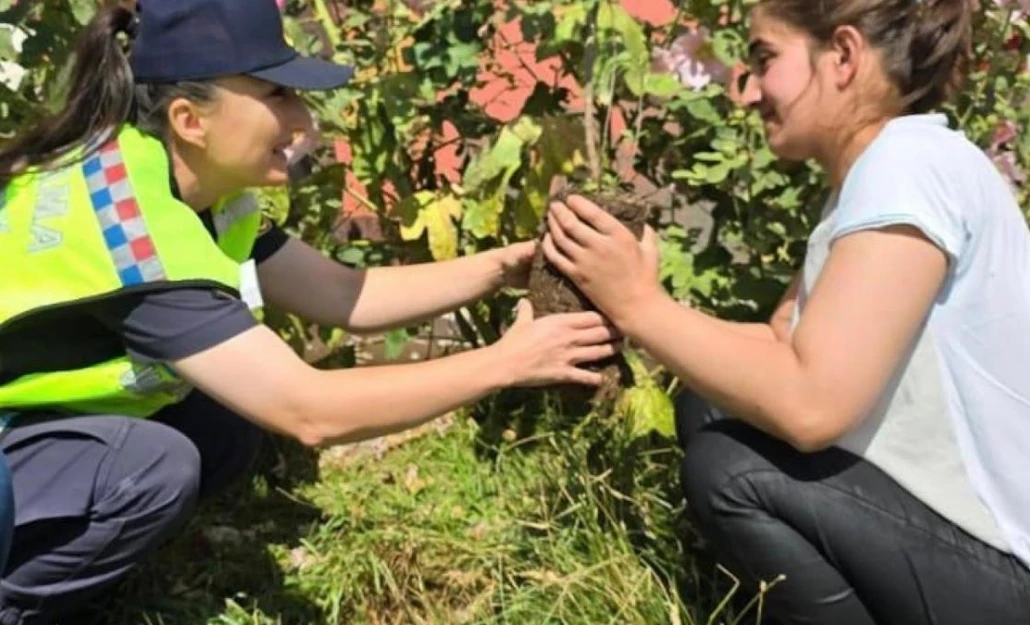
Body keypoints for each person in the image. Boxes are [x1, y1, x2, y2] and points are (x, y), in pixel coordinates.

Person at [0, 0, 620, 622]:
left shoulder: (170, 175)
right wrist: (506, 364)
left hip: (28, 425)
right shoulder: (138, 242)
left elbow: (345, 296)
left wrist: (496, 269)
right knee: (156, 466)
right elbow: (309, 412)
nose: (306, 125)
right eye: (279, 97)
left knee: (223, 421)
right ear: (191, 119)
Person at [541, 0, 1030, 623]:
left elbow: (811, 407)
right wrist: (639, 309)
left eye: (765, 59)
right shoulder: (887, 167)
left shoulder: (907, 169)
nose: (749, 89)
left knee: (732, 472)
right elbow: (779, 342)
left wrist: (639, 305)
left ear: (842, 56)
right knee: (710, 404)